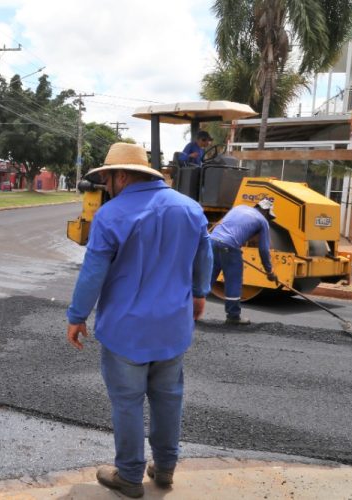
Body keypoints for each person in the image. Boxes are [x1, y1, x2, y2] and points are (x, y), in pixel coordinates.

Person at [65, 143, 212, 498]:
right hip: (173, 328)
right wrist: (199, 293)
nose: (106, 185)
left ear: (120, 175)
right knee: (168, 397)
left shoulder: (111, 215)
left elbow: (93, 272)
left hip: (126, 330)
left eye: (107, 178)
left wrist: (77, 316)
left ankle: (129, 476)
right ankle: (164, 469)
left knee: (128, 402)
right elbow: (204, 257)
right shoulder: (190, 209)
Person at [210, 199, 277, 325]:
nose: (268, 218)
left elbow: (225, 226)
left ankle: (189, 311)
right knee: (233, 281)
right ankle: (233, 316)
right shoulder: (262, 221)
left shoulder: (239, 208)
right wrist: (269, 271)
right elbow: (263, 250)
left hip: (212, 241)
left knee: (207, 278)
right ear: (266, 211)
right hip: (229, 246)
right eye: (269, 216)